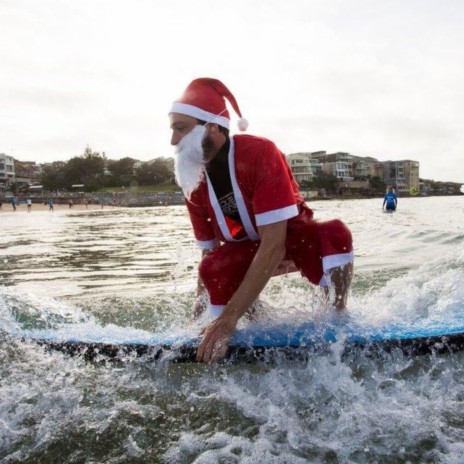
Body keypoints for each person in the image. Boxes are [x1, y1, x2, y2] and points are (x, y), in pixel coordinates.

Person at [169, 78, 354, 363]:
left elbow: (274, 244)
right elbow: (209, 257)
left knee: (335, 233)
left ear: (213, 126)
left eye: (181, 129)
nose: (173, 140)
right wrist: (195, 324)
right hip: (245, 251)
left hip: (292, 241)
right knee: (214, 266)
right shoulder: (193, 181)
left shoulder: (259, 153)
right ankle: (256, 323)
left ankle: (338, 313)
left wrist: (227, 320)